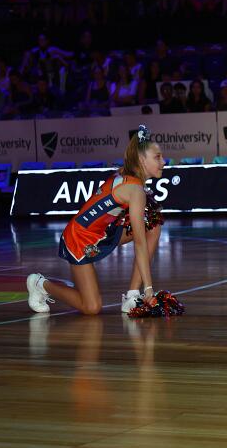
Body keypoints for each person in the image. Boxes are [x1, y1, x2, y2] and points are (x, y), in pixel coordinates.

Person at [26, 126, 165, 316]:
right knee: (91, 307)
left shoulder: (129, 175)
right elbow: (140, 244)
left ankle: (132, 297)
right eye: (157, 157)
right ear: (141, 160)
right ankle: (40, 284)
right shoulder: (135, 190)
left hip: (104, 232)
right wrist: (149, 289)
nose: (163, 162)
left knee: (153, 226)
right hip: (79, 239)